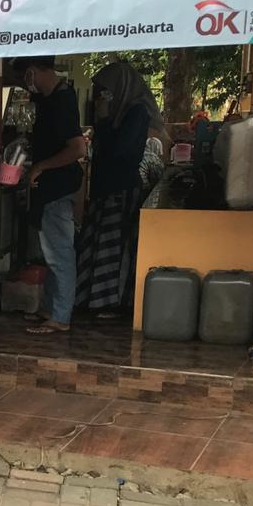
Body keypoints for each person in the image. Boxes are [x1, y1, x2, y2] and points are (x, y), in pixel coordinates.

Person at [76, 62, 163, 318]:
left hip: (121, 189)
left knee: (114, 247)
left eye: (105, 91)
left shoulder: (136, 113)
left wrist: (103, 122)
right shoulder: (115, 115)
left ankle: (112, 303)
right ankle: (93, 299)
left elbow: (119, 152)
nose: (101, 97)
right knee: (98, 242)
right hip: (105, 188)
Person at [11, 56, 86, 335]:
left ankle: (60, 316)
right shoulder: (49, 99)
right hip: (51, 187)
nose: (23, 84)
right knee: (52, 251)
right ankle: (52, 309)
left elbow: (78, 149)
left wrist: (41, 166)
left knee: (59, 253)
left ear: (32, 72)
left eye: (23, 78)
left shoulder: (62, 100)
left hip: (58, 187)